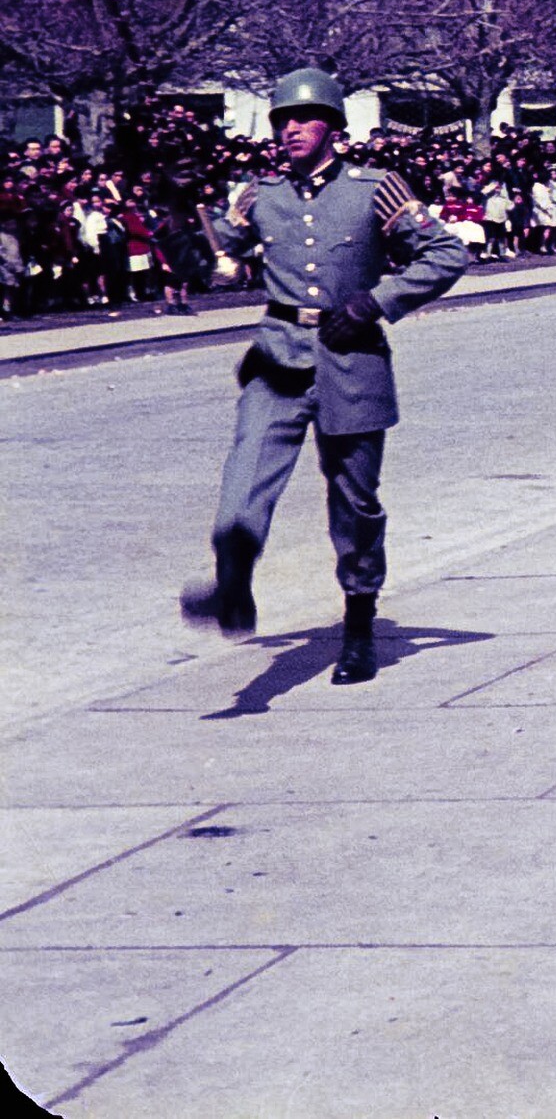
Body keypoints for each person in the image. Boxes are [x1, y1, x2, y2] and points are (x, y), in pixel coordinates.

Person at [182, 67, 471, 684]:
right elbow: (218, 257)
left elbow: (448, 253)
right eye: (281, 120)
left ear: (333, 128)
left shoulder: (376, 189)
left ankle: (360, 627)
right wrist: (194, 227)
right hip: (278, 355)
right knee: (245, 475)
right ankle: (232, 584)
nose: (290, 130)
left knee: (355, 503)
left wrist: (375, 302)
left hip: (353, 359)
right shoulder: (259, 194)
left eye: (302, 119)